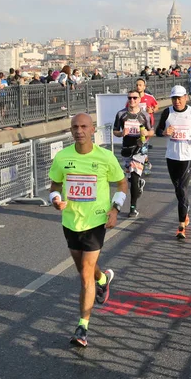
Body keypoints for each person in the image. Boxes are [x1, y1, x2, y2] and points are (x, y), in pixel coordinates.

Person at [48, 113, 127, 348]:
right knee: (85, 268)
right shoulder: (62, 157)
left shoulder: (105, 157)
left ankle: (83, 326)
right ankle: (103, 279)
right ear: (71, 131)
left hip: (96, 221)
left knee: (84, 274)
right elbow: (55, 184)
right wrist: (55, 198)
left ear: (93, 130)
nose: (79, 130)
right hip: (71, 221)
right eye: (75, 127)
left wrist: (115, 208)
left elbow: (121, 183)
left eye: (84, 126)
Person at [155, 85, 191, 239]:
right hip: (172, 156)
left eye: (180, 98)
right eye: (174, 98)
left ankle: (181, 225)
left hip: (188, 156)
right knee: (178, 189)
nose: (177, 101)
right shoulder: (167, 112)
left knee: (182, 188)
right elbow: (157, 131)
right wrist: (164, 132)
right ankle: (186, 212)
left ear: (185, 98)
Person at [113, 90, 153, 217]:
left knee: (134, 175)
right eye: (130, 98)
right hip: (126, 148)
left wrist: (146, 133)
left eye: (135, 98)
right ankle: (139, 183)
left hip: (140, 148)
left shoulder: (144, 115)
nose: (132, 100)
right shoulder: (121, 114)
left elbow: (151, 131)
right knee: (131, 178)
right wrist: (121, 133)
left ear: (139, 100)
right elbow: (115, 131)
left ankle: (132, 207)